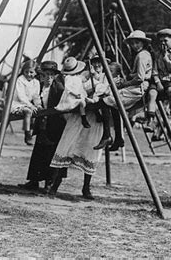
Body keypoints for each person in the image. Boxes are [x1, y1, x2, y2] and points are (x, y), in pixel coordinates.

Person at [48, 60, 109, 200]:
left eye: (100, 65)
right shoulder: (84, 77)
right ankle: (55, 184)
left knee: (90, 151)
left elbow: (107, 92)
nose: (97, 67)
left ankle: (86, 187)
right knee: (66, 147)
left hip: (95, 120)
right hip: (78, 117)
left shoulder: (107, 77)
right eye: (95, 64)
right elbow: (79, 89)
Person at [95, 30, 153, 150]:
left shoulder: (142, 56)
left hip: (138, 89)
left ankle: (107, 135)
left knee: (104, 101)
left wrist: (124, 84)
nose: (135, 46)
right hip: (136, 87)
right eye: (132, 43)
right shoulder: (143, 54)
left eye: (137, 43)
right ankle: (118, 138)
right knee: (114, 105)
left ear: (143, 43)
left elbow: (140, 78)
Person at [19, 61, 66, 192]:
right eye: (46, 75)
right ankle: (34, 181)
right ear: (42, 76)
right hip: (42, 125)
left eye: (52, 75)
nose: (49, 78)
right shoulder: (38, 87)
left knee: (51, 154)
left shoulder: (59, 89)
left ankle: (49, 183)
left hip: (55, 125)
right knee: (39, 152)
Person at [0, 60, 42, 149]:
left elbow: (36, 96)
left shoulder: (36, 83)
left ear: (35, 73)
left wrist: (38, 104)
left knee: (36, 112)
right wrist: (31, 105)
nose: (28, 74)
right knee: (28, 112)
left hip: (26, 104)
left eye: (31, 72)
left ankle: (33, 130)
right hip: (15, 104)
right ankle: (27, 135)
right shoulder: (20, 80)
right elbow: (21, 96)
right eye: (26, 72)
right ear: (23, 71)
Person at [145, 28, 171, 133]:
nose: (163, 43)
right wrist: (157, 82)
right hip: (158, 79)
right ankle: (150, 120)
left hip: (169, 79)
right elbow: (154, 69)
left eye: (165, 41)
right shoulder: (156, 54)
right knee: (152, 93)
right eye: (161, 41)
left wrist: (165, 57)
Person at [55, 57, 90, 128]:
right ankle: (84, 119)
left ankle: (97, 115)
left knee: (87, 100)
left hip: (79, 94)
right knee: (81, 102)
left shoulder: (78, 77)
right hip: (71, 96)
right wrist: (75, 95)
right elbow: (68, 89)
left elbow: (82, 84)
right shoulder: (68, 78)